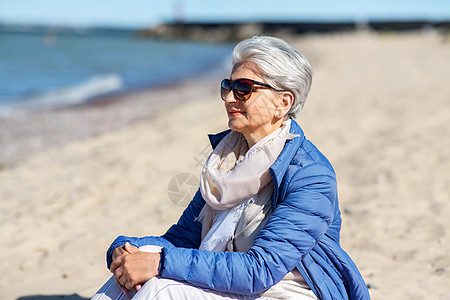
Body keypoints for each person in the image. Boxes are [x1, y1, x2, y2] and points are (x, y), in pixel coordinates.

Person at [92, 36, 370, 300]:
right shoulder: (225, 161)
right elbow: (182, 240)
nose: (229, 98)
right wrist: (124, 250)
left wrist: (160, 263)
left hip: (283, 291)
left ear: (283, 103)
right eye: (228, 85)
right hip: (232, 284)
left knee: (160, 290)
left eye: (244, 89)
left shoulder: (311, 175)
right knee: (130, 272)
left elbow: (260, 270)